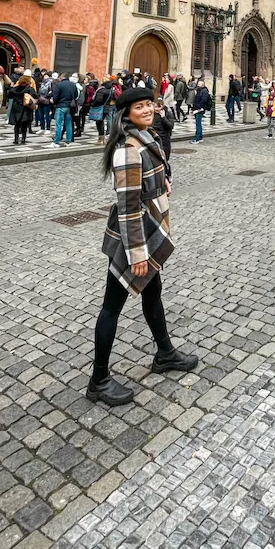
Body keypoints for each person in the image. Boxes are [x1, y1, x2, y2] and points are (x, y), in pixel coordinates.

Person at [87, 85, 198, 406]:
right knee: (111, 307)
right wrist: (137, 253)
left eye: (149, 104)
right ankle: (98, 380)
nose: (148, 110)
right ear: (127, 115)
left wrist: (163, 182)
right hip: (132, 237)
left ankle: (165, 353)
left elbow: (149, 182)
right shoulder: (128, 150)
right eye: (140, 108)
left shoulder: (146, 140)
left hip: (149, 231)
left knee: (153, 292)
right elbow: (127, 205)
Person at [8, 74, 37, 145]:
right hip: (26, 109)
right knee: (24, 125)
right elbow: (36, 96)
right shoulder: (30, 89)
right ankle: (23, 139)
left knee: (16, 125)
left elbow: (9, 96)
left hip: (16, 108)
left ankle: (16, 139)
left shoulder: (14, 89)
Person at [52, 72, 79, 145]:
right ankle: (68, 139)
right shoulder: (73, 85)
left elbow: (56, 97)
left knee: (58, 124)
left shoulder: (59, 85)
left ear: (62, 77)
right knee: (68, 124)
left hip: (61, 106)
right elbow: (76, 95)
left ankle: (57, 140)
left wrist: (54, 102)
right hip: (69, 106)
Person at [191, 80, 211, 144]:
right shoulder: (198, 90)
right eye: (198, 84)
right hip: (196, 108)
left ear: (203, 85)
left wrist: (198, 108)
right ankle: (200, 137)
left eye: (199, 84)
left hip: (200, 109)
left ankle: (197, 138)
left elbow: (203, 100)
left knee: (198, 123)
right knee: (198, 123)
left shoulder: (204, 91)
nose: (198, 85)